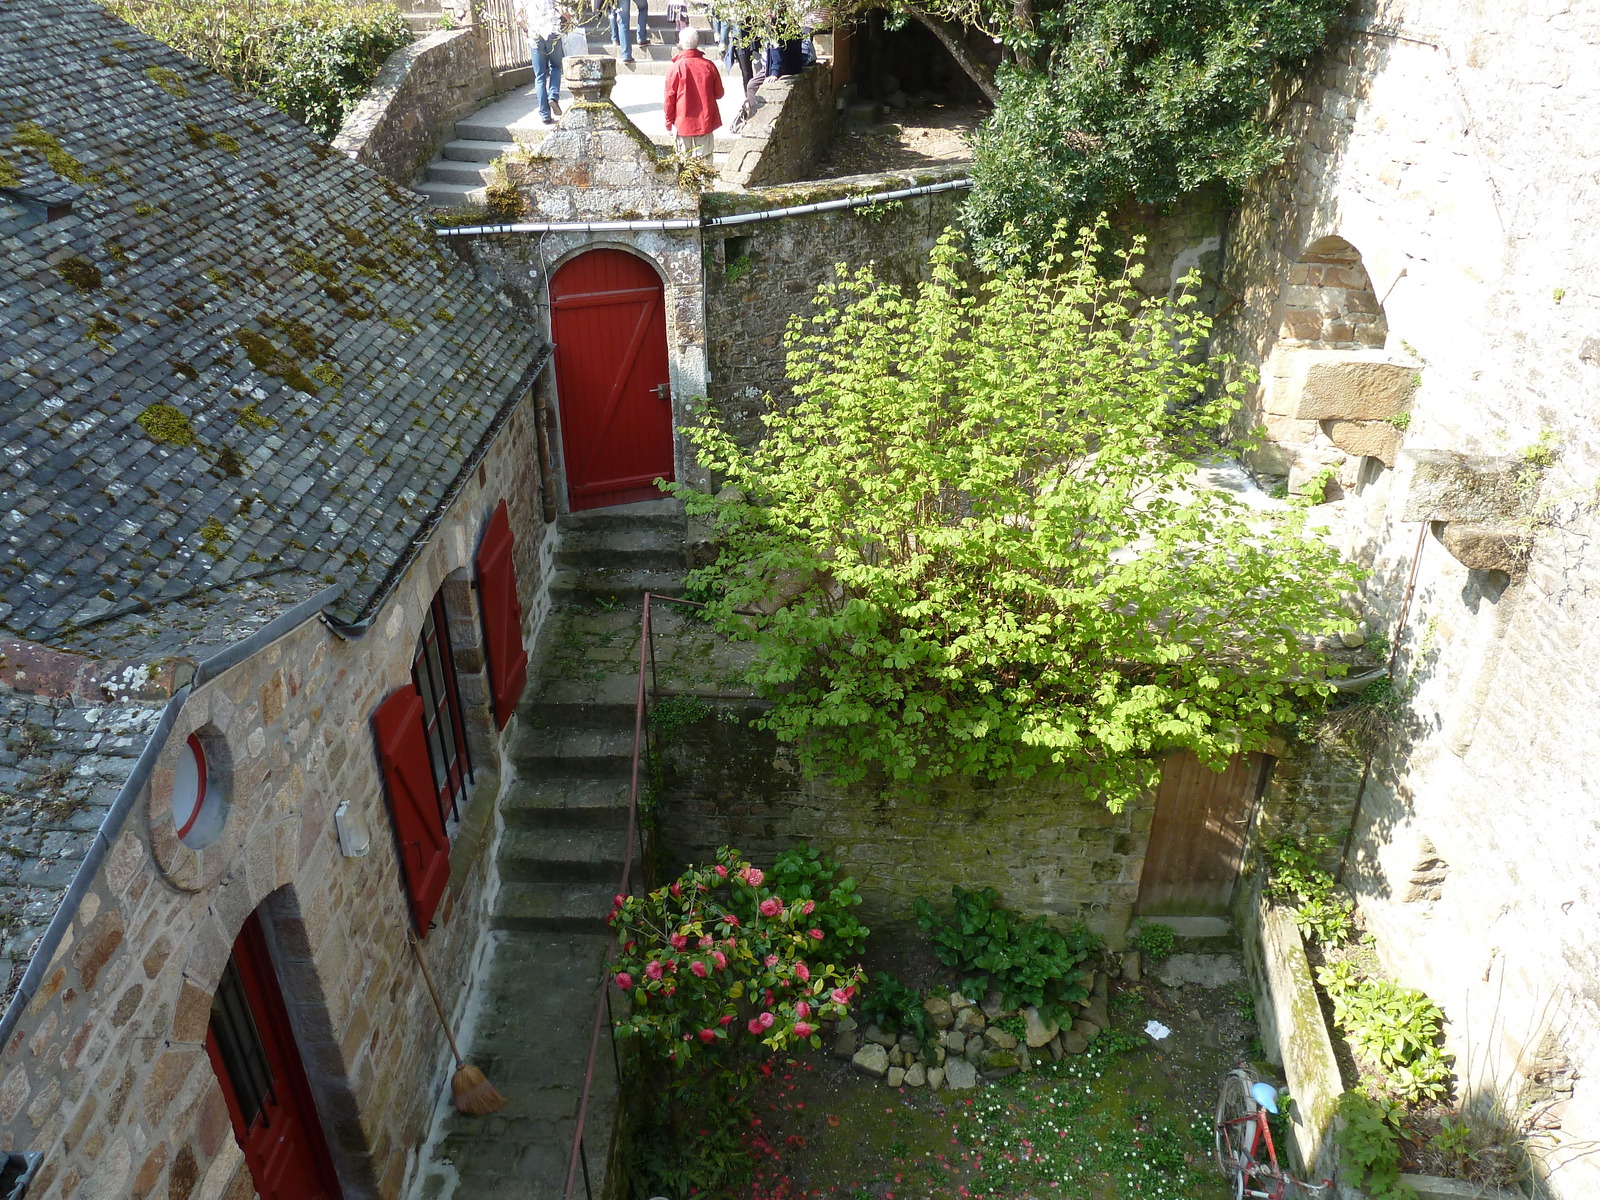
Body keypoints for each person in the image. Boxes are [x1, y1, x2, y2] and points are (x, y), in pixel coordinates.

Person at [663, 26, 724, 160]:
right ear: (698, 43)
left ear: (680, 43)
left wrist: (668, 122)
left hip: (682, 123)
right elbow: (719, 93)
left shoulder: (675, 68)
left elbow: (669, 100)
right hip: (705, 121)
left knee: (684, 166)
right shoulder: (709, 66)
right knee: (705, 165)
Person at [523, 0, 566, 124]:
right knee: (556, 67)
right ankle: (553, 96)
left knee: (540, 75)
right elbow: (560, 7)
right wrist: (570, 19)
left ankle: (545, 114)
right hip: (552, 31)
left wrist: (527, 30)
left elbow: (519, 18)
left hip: (535, 35)